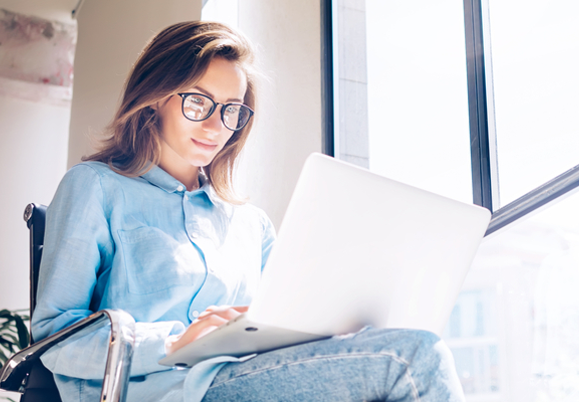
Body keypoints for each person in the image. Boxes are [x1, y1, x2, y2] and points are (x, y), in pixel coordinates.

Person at [32, 21, 466, 402]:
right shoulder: (96, 187)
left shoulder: (249, 223)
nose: (215, 126)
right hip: (168, 390)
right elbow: (54, 336)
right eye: (198, 102)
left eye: (231, 111)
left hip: (248, 375)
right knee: (411, 359)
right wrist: (175, 341)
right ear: (155, 97)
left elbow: (282, 316)